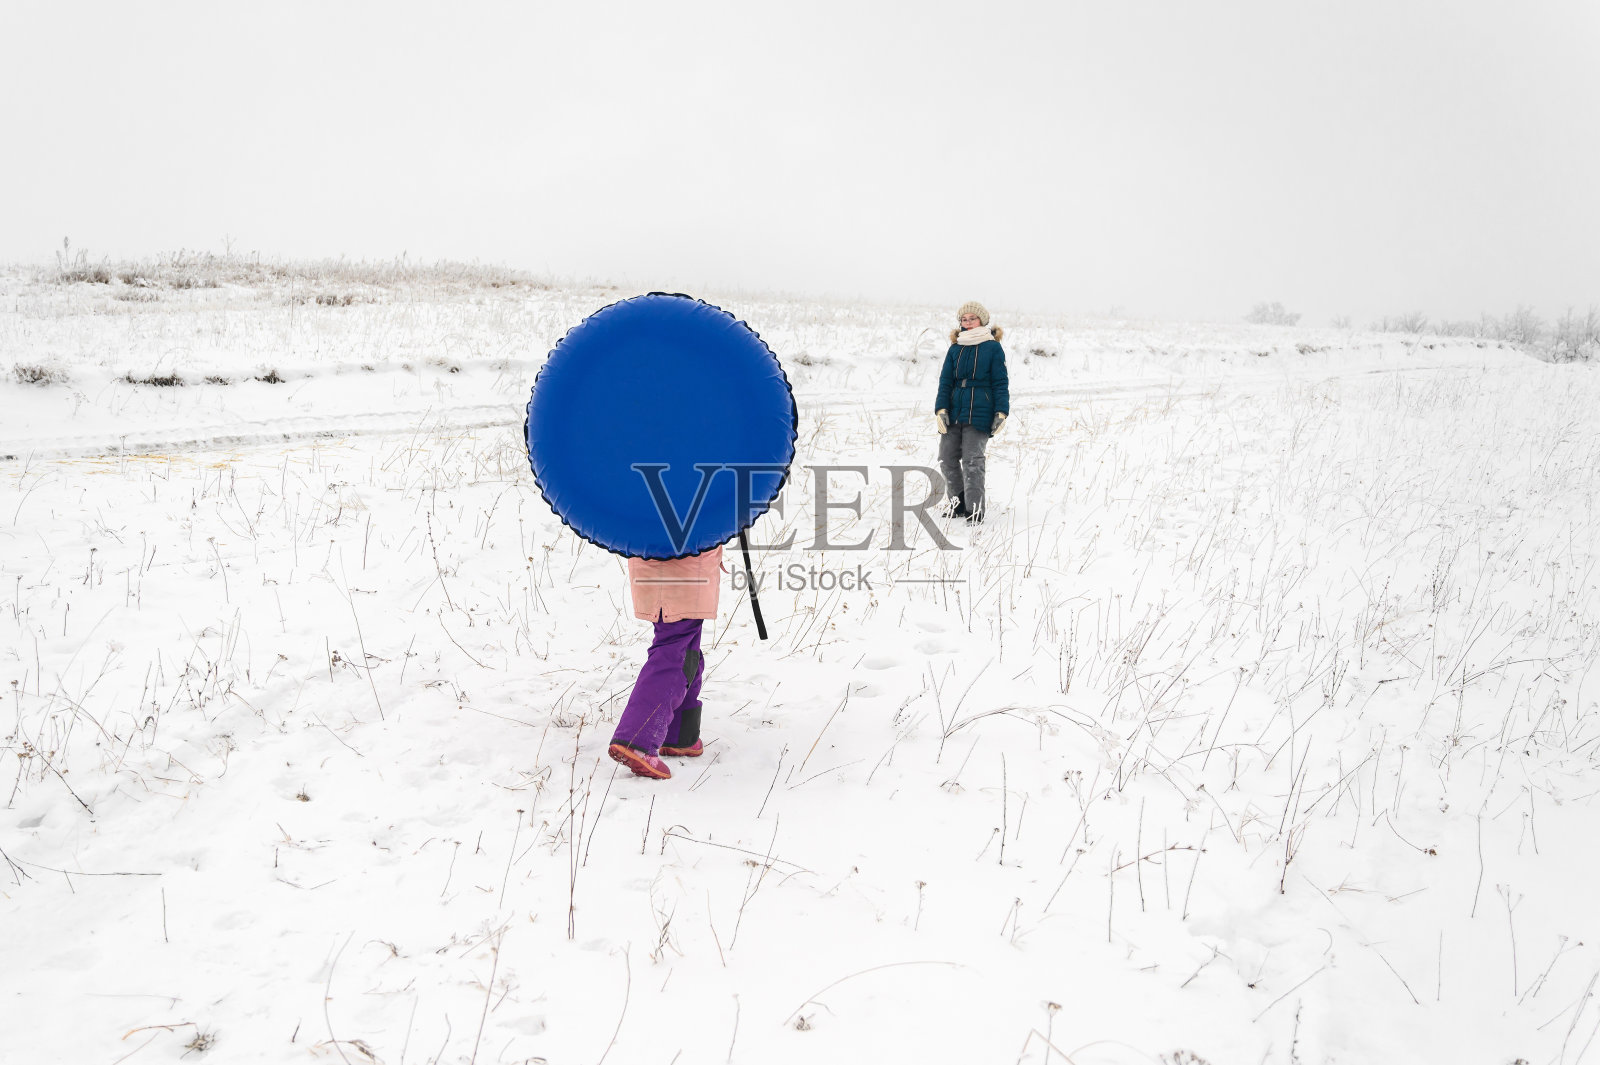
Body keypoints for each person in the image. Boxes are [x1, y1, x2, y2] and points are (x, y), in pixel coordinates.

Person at [607, 546, 723, 779]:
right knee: (674, 649)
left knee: (686, 644)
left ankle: (678, 734)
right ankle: (638, 738)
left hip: (652, 561)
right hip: (684, 567)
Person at [935, 301, 1010, 523]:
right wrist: (940, 409)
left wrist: (1001, 412)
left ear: (982, 321)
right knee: (947, 458)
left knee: (972, 461)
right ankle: (957, 504)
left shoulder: (992, 347)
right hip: (954, 410)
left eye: (972, 318)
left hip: (981, 411)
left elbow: (1000, 382)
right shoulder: (955, 347)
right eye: (964, 319)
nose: (967, 322)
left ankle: (975, 510)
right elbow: (945, 381)